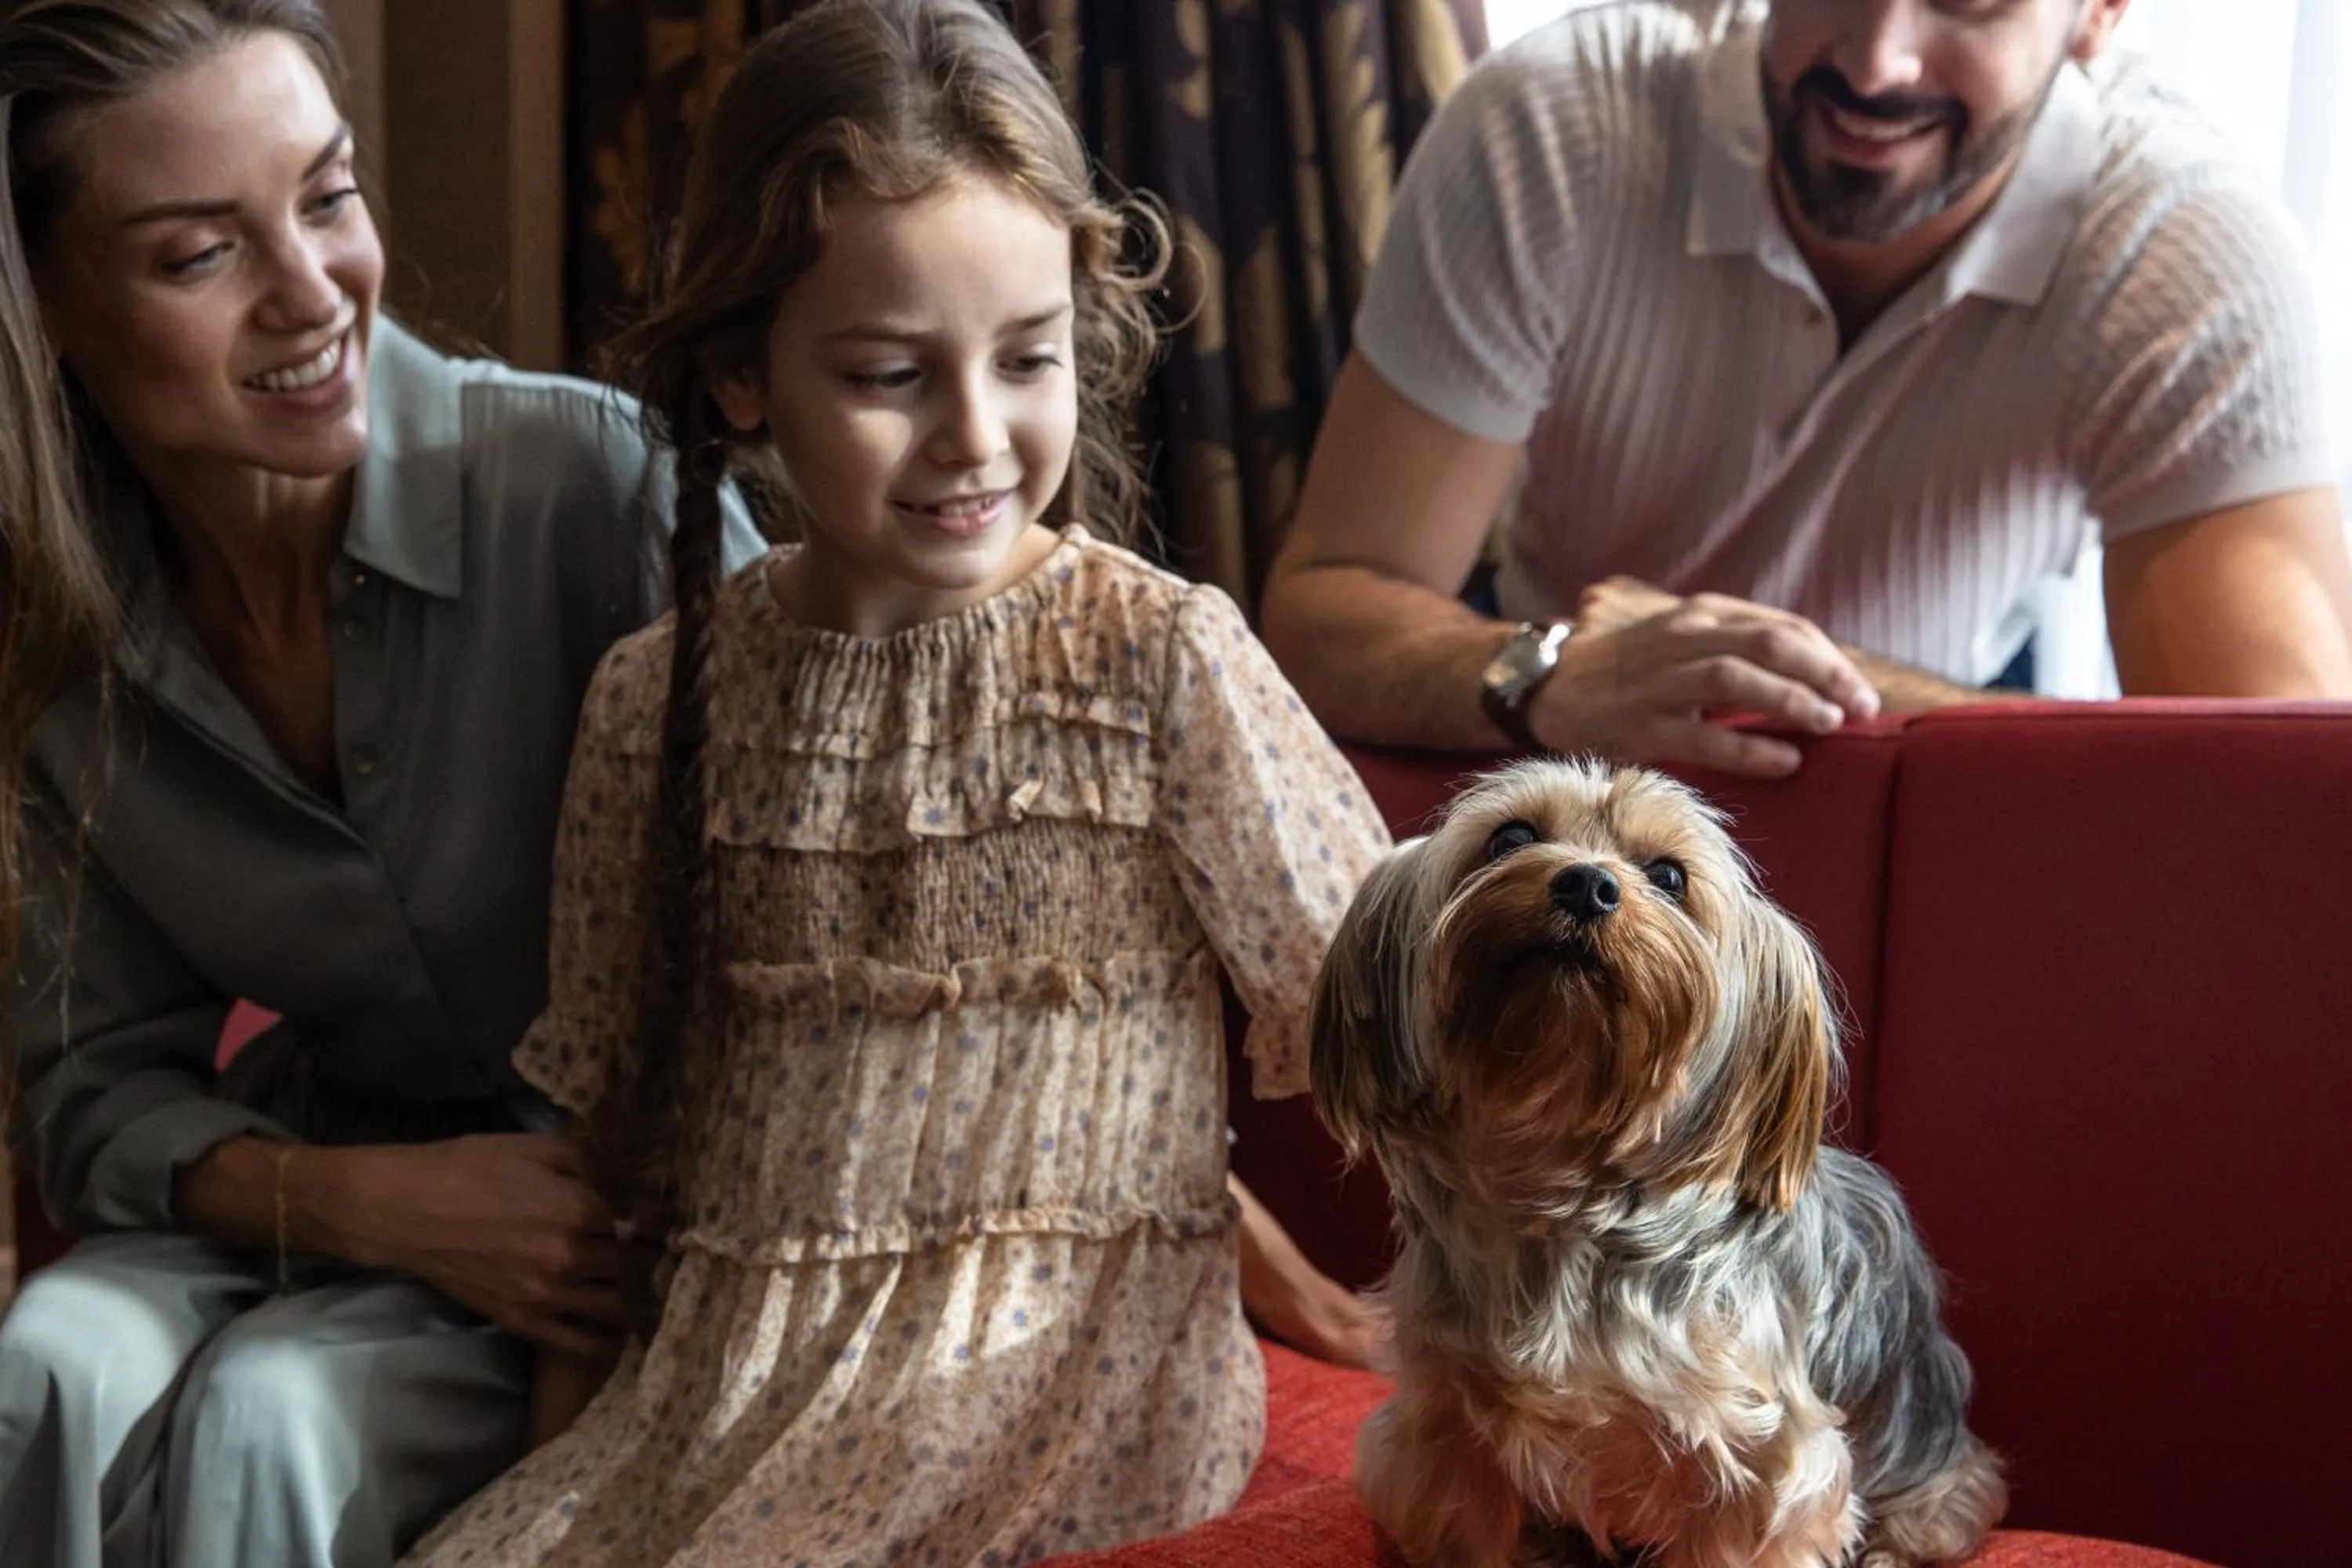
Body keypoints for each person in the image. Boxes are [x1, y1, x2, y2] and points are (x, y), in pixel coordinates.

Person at [0, 3, 1367, 1564]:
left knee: (268, 1418)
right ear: (40, 302)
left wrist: (1302, 1290)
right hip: (456, 1226)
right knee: (47, 1369)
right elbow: (94, 1083)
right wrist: (374, 1219)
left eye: (329, 195)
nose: (313, 294)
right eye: (197, 254)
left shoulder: (595, 494)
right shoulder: (66, 633)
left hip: (715, 1285)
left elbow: (1027, 1009)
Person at [399, 3, 1393, 1564]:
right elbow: (620, 1170)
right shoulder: (652, 702)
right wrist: (560, 1480)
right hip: (719, 1398)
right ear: (743, 372)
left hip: (1061, 1400)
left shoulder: (1163, 663)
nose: (976, 437)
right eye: (889, 374)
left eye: (1028, 359)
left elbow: (1400, 1021)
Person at [1260, 0, 2352, 780]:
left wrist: (1810, 693)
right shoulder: (1555, 127)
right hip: (1571, 796)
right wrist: (1551, 677)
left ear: (2099, 14)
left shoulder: (2190, 253)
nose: (1877, 63)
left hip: (1934, 830)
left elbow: (2277, 784)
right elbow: (1324, 612)